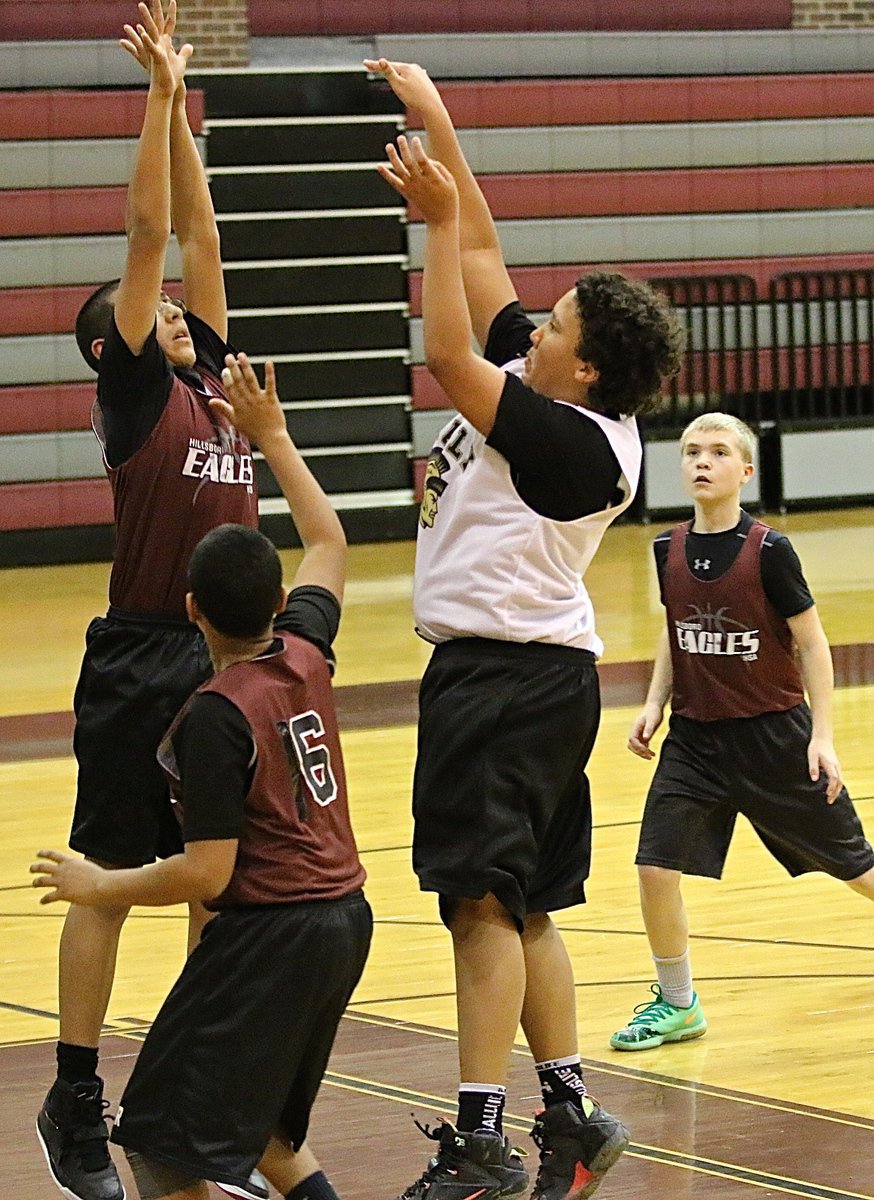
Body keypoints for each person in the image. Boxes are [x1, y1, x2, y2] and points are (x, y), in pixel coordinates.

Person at [365, 59, 685, 1200]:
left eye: (551, 325)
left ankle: (480, 1140)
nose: (530, 321)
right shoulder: (545, 380)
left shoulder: (579, 440)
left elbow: (445, 355)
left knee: (479, 908)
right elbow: (489, 258)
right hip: (529, 681)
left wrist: (430, 227)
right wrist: (436, 112)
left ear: (584, 365)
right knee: (526, 904)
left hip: (504, 680)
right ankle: (572, 1112)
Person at [32, 351, 373, 1200]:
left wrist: (99, 880)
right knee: (265, 1141)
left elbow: (208, 873)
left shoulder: (214, 715)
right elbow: (329, 540)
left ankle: (83, 1101)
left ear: (192, 611)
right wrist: (277, 437)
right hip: (347, 918)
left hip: (272, 934)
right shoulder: (307, 649)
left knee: (156, 1141)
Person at [37, 6, 262, 1200]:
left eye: (181, 308)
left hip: (232, 659)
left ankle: (190, 1096)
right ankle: (74, 1095)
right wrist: (158, 98)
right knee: (110, 872)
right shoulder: (137, 394)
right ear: (111, 347)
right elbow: (147, 231)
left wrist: (192, 112)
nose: (176, 302)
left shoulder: (214, 382)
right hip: (141, 658)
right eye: (154, 308)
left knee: (216, 883)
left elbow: (199, 226)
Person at [610, 412, 874, 1052]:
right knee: (653, 867)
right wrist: (653, 703)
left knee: (856, 868)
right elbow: (675, 632)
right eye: (693, 451)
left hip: (775, 740)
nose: (703, 461)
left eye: (720, 452)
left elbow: (811, 644)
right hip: (695, 743)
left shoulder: (770, 551)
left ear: (745, 471)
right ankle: (679, 1004)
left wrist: (823, 735)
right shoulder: (666, 548)